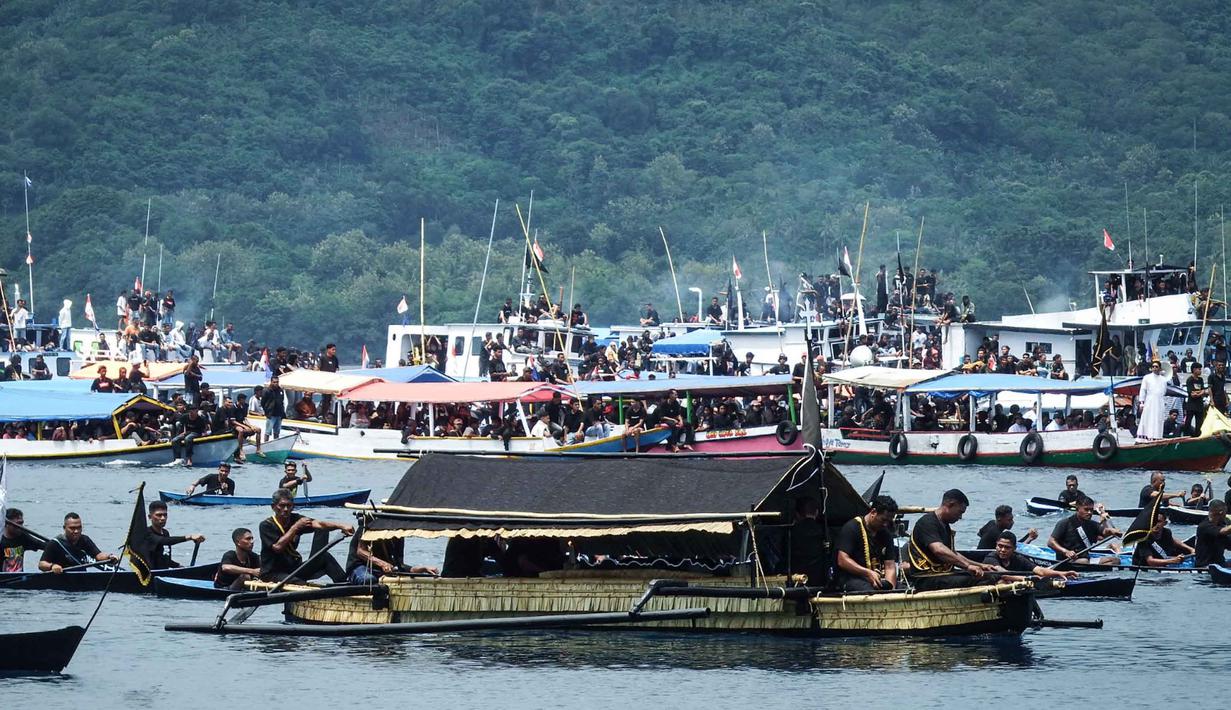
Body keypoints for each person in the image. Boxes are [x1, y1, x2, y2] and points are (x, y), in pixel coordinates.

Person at [906, 489, 996, 590]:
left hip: (943, 575)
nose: (960, 517)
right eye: (960, 512)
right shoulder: (927, 523)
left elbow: (952, 553)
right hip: (926, 578)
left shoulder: (945, 525)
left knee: (988, 575)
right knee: (980, 580)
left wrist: (981, 565)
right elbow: (939, 550)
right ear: (950, 504)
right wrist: (967, 566)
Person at [258, 488, 353, 583]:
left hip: (293, 569)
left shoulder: (295, 518)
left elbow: (319, 524)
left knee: (325, 557)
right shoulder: (266, 525)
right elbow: (277, 547)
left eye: (289, 506)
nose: (286, 509)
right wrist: (295, 527)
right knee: (299, 583)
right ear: (273, 507)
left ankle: (345, 586)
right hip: (272, 573)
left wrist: (341, 526)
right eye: (282, 506)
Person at [835, 495, 899, 591]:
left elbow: (889, 566)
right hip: (851, 578)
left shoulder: (885, 533)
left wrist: (891, 590)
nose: (885, 524)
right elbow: (842, 560)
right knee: (868, 589)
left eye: (888, 522)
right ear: (873, 512)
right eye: (883, 520)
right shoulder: (852, 528)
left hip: (874, 577)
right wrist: (867, 573)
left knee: (902, 588)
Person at [345, 522, 438, 584]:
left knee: (422, 577)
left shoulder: (399, 535)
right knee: (369, 580)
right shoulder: (370, 523)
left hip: (382, 571)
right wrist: (382, 564)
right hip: (360, 567)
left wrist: (422, 569)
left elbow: (399, 565)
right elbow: (360, 551)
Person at [1048, 495, 1120, 564]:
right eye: (1086, 509)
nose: (1089, 512)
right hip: (1067, 560)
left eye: (1091, 510)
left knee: (1115, 561)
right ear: (1078, 508)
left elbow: (1104, 532)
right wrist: (1066, 552)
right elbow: (1051, 542)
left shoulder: (1092, 524)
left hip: (1086, 560)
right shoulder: (1064, 523)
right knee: (1084, 561)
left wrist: (1112, 531)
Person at [39, 513, 118, 573]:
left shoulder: (85, 539)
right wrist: (52, 566)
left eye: (79, 528)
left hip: (81, 576)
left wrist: (109, 556)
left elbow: (98, 555)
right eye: (72, 528)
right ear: (64, 528)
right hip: (62, 578)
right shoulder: (55, 543)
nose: (76, 531)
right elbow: (41, 564)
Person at [982, 531, 1078, 582]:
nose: (1002, 550)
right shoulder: (991, 558)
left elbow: (1039, 570)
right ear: (996, 545)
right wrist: (1030, 579)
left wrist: (1060, 573)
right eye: (1000, 546)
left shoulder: (1017, 558)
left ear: (1014, 548)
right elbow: (1004, 574)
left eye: (1007, 547)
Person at [145, 500, 205, 569]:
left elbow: (165, 559)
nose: (163, 518)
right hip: (150, 575)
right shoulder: (147, 533)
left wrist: (179, 566)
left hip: (164, 573)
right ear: (150, 517)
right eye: (159, 515)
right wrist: (190, 537)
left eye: (165, 515)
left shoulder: (165, 533)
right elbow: (163, 541)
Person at [1137, 359, 1169, 439]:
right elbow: (1143, 390)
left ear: (1160, 368)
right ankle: (1146, 437)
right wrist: (1141, 403)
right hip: (1149, 401)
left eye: (1156, 367)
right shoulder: (1146, 378)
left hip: (1159, 402)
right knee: (1148, 418)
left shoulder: (1163, 379)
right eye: (1153, 366)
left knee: (1158, 419)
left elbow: (1164, 391)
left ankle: (1157, 437)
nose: (1154, 368)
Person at [1195, 500, 1231, 567]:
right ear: (1221, 512)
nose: (1226, 515)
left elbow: (1228, 544)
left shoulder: (1220, 526)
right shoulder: (1204, 526)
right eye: (1225, 513)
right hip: (1206, 566)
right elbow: (1223, 531)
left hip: (1220, 564)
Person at [1185, 362, 1208, 436]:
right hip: (1191, 405)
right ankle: (1186, 435)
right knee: (1188, 421)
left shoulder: (1200, 380)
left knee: (1199, 423)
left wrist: (1199, 393)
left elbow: (1204, 391)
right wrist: (1200, 393)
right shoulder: (1190, 380)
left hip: (1199, 405)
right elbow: (1192, 394)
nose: (1200, 371)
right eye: (1199, 369)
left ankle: (1197, 436)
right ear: (1194, 369)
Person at [261, 375, 287, 440]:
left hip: (279, 414)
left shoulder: (280, 390)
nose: (276, 384)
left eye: (277, 382)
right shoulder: (267, 391)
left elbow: (282, 401)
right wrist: (267, 411)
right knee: (268, 432)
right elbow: (263, 403)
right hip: (271, 415)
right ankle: (266, 444)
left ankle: (276, 444)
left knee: (277, 432)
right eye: (274, 382)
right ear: (271, 382)